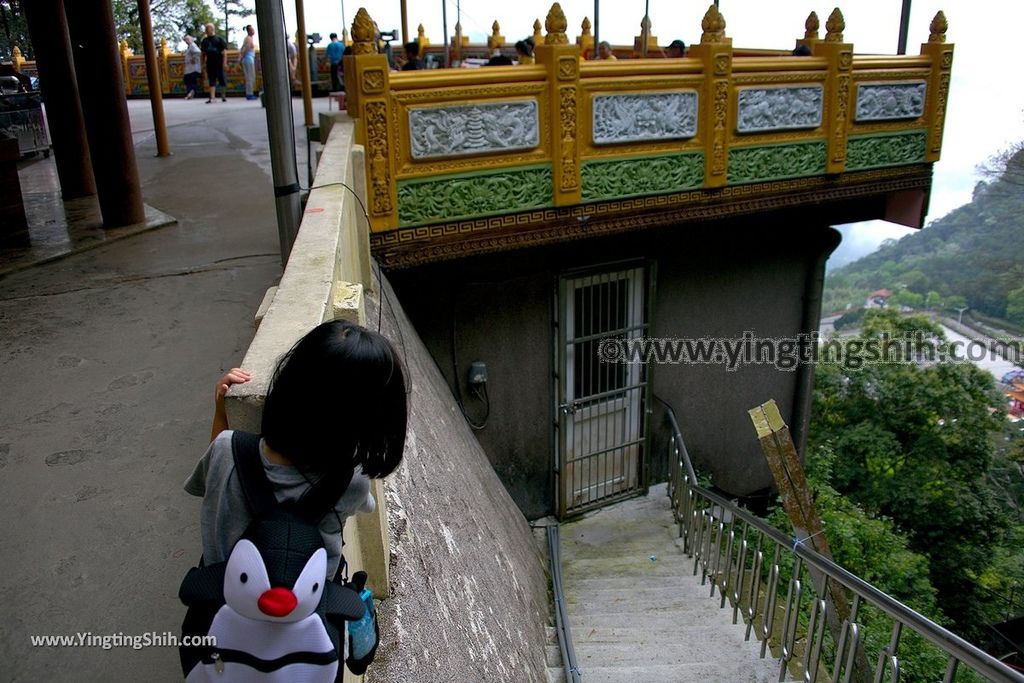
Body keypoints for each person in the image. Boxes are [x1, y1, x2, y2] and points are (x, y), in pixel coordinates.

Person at [187, 320, 409, 579]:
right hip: (304, 612)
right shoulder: (352, 483)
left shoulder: (226, 450)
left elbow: (215, 472)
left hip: (224, 606)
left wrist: (221, 410)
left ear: (288, 384)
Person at [200, 22, 228, 103]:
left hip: (219, 62)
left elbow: (224, 52)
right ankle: (212, 97)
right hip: (210, 63)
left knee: (221, 79)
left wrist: (224, 63)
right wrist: (202, 64)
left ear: (212, 29)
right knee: (211, 80)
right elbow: (203, 54)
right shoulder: (204, 41)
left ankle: (223, 95)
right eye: (206, 29)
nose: (207, 30)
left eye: (208, 28)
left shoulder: (219, 39)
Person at [239, 24, 257, 100]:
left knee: (249, 77)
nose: (254, 31)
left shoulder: (248, 38)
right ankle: (249, 94)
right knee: (250, 77)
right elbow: (246, 48)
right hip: (248, 59)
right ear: (249, 31)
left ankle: (249, 93)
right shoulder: (249, 38)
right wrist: (241, 57)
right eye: (252, 30)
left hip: (248, 59)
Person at [182, 34, 201, 100]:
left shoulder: (193, 45)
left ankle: (191, 92)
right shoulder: (190, 46)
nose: (186, 41)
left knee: (191, 81)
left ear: (191, 39)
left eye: (187, 39)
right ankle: (190, 93)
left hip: (193, 68)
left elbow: (198, 52)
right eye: (185, 40)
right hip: (190, 68)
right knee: (188, 80)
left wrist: (193, 58)